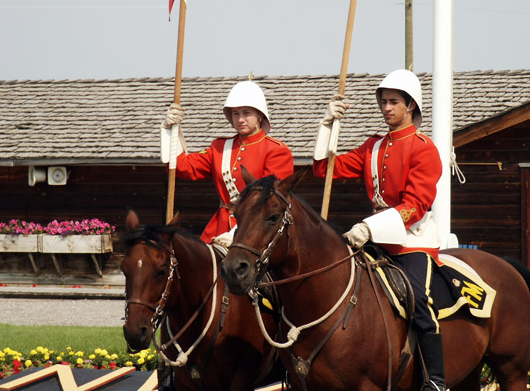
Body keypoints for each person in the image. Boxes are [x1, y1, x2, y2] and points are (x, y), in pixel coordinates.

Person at [312, 69, 446, 391]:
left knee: (419, 300)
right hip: (372, 239)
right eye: (384, 101)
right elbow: (323, 168)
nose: (387, 107)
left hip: (411, 243)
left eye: (394, 102)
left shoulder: (424, 148)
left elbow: (416, 205)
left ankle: (436, 381)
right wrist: (327, 125)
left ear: (411, 105)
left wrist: (369, 227)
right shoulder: (372, 146)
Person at [161, 80, 294, 245]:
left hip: (257, 230)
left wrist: (237, 232)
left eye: (246, 113)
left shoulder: (276, 150)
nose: (240, 119)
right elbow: (182, 166)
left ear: (260, 115)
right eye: (236, 113)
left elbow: (271, 200)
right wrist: (169, 130)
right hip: (219, 227)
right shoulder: (220, 147)